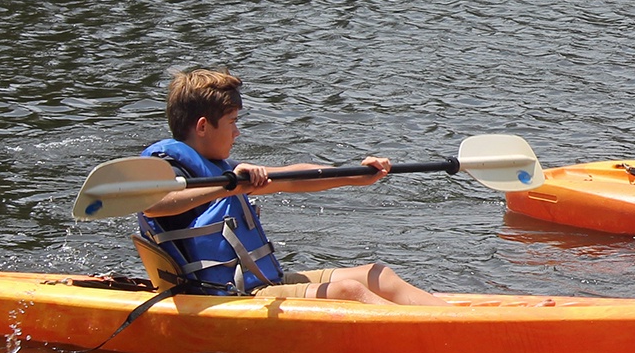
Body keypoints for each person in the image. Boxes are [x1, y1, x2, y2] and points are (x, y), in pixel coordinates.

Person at [135, 67, 446, 305]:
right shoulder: (170, 172)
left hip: (261, 281)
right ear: (203, 126)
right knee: (349, 291)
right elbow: (154, 204)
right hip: (228, 296)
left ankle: (456, 319)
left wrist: (356, 175)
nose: (237, 132)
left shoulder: (223, 171)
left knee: (377, 275)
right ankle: (436, 335)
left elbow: (293, 176)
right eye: (232, 122)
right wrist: (231, 187)